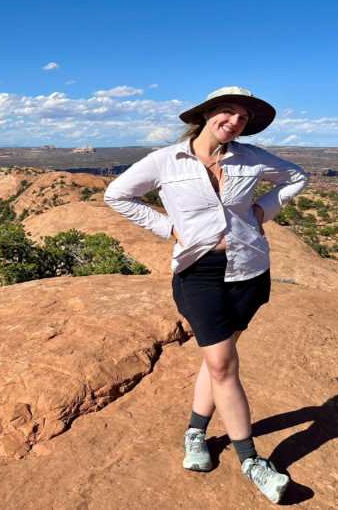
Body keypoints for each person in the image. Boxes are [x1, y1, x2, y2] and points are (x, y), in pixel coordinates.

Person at [104, 86, 309, 503]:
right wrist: (169, 229)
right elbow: (117, 195)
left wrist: (261, 210)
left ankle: (195, 433)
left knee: (219, 361)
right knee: (221, 362)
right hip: (198, 271)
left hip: (249, 270)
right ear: (207, 114)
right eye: (227, 112)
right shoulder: (166, 160)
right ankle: (252, 460)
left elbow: (296, 177)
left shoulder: (250, 158)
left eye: (243, 119)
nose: (234, 122)